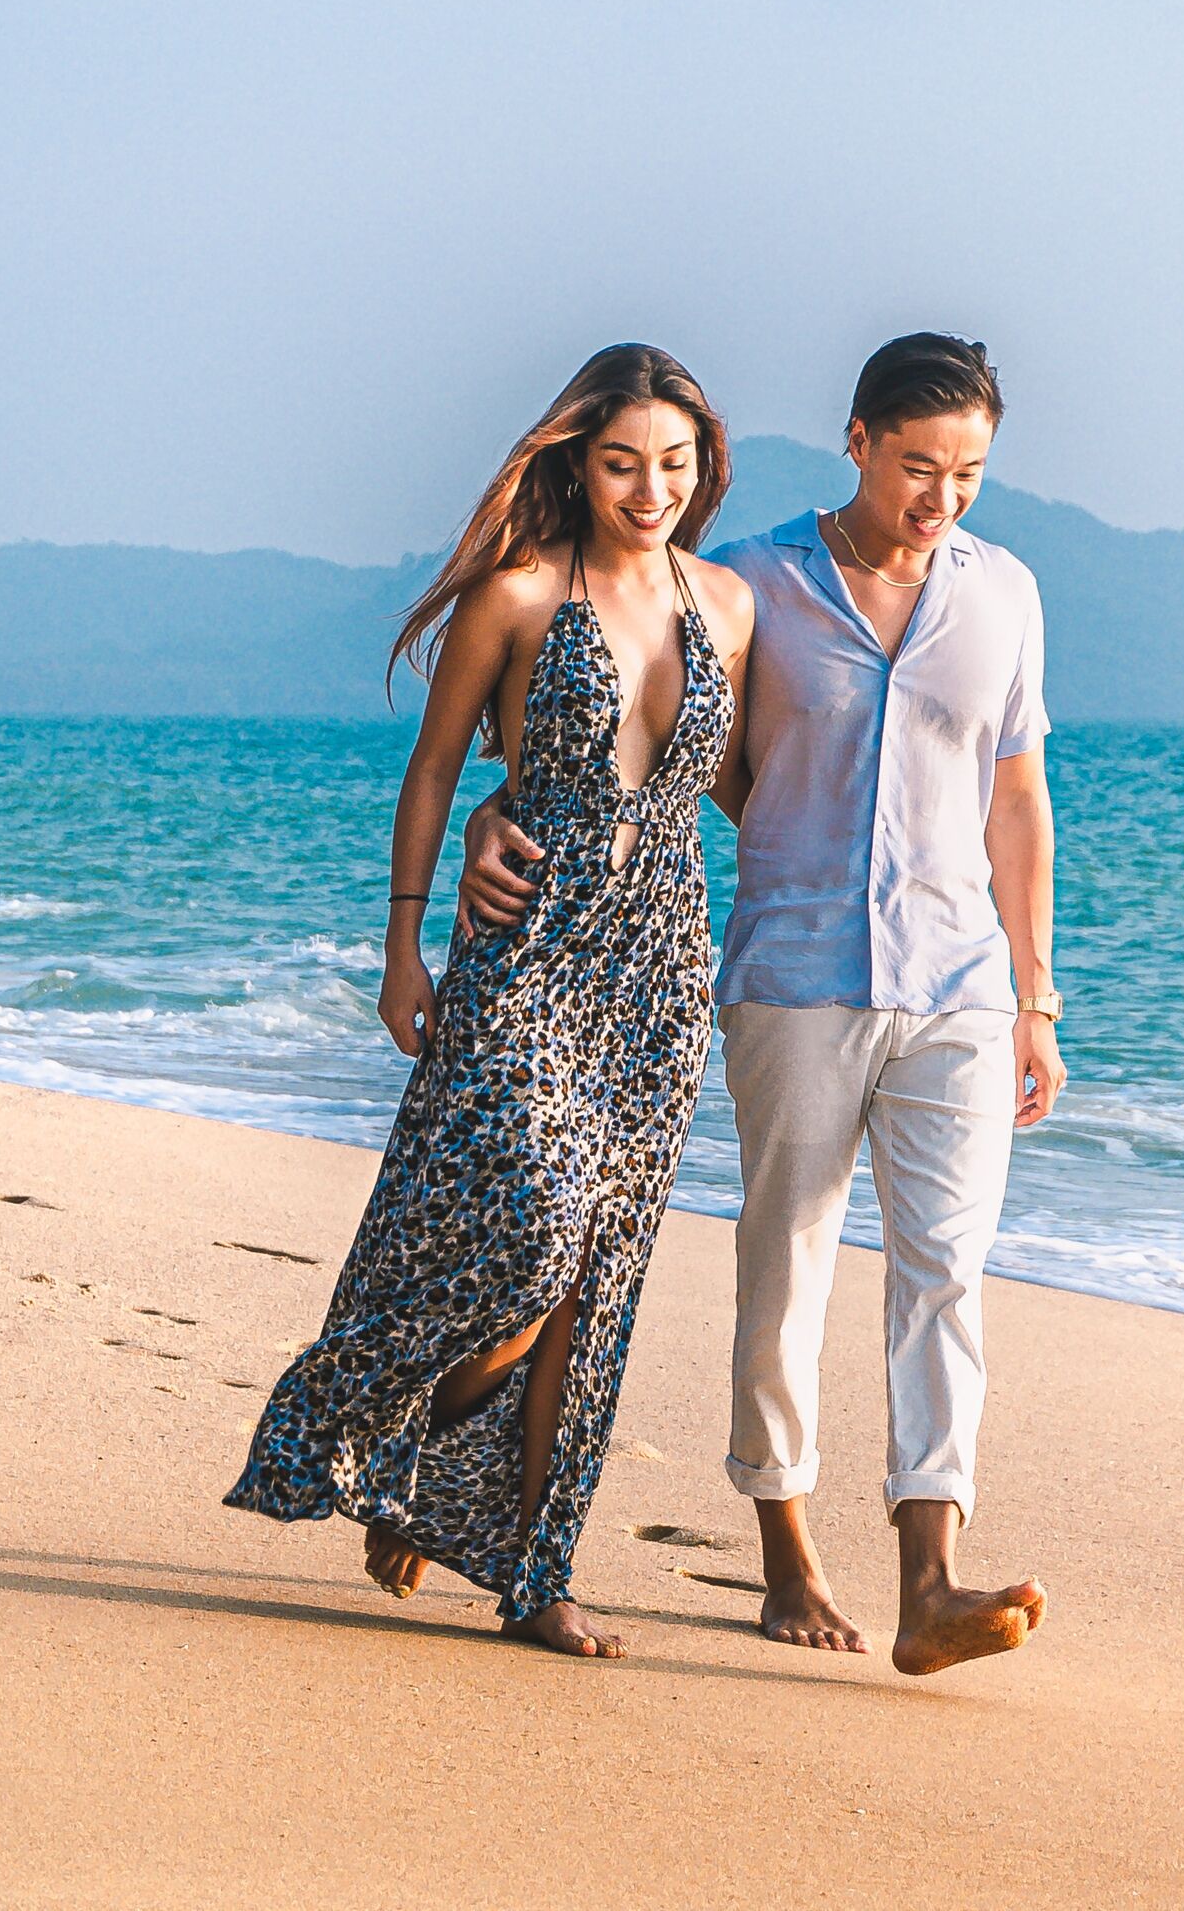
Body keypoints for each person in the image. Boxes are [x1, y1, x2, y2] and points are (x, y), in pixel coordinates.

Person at [463, 331, 1059, 1674]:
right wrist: (500, 820)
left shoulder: (1006, 595)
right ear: (858, 442)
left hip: (960, 986)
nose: (942, 498)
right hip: (790, 977)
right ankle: (786, 1550)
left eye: (967, 474)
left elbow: (1017, 797)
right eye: (919, 466)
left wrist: (1037, 994)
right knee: (785, 1257)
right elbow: (661, 751)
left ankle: (931, 1579)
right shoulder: (754, 586)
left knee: (945, 1276)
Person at [227, 344, 757, 1660]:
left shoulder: (732, 607)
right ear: (578, 461)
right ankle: (390, 1447)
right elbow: (430, 770)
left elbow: (748, 786)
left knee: (598, 1281)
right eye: (624, 461)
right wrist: (405, 948)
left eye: (675, 466)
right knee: (530, 1236)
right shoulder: (520, 594)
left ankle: (540, 1577)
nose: (650, 489)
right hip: (525, 949)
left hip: (662, 964)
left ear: (707, 473)